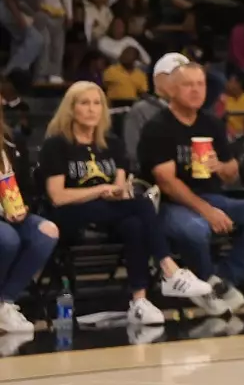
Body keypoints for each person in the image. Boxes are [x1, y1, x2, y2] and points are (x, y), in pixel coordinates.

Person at [39, 81, 219, 322]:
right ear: (71, 109)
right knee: (140, 206)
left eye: (97, 103)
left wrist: (117, 193)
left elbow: (121, 190)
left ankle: (140, 301)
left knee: (134, 223)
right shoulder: (57, 145)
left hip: (110, 212)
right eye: (84, 103)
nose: (92, 109)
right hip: (70, 215)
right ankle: (169, 270)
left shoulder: (112, 144)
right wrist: (101, 189)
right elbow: (57, 197)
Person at [138, 59, 244, 316]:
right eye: (188, 85)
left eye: (200, 84)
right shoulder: (158, 127)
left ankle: (218, 281)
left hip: (212, 195)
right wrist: (206, 210)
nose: (196, 90)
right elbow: (166, 182)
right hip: (169, 205)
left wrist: (220, 167)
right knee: (195, 228)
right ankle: (207, 284)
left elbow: (232, 170)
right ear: (171, 90)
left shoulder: (212, 124)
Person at [0, 112, 58, 335]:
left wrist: (24, 208)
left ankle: (5, 302)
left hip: (11, 213)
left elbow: (27, 186)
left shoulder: (11, 141)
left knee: (47, 231)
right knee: (8, 239)